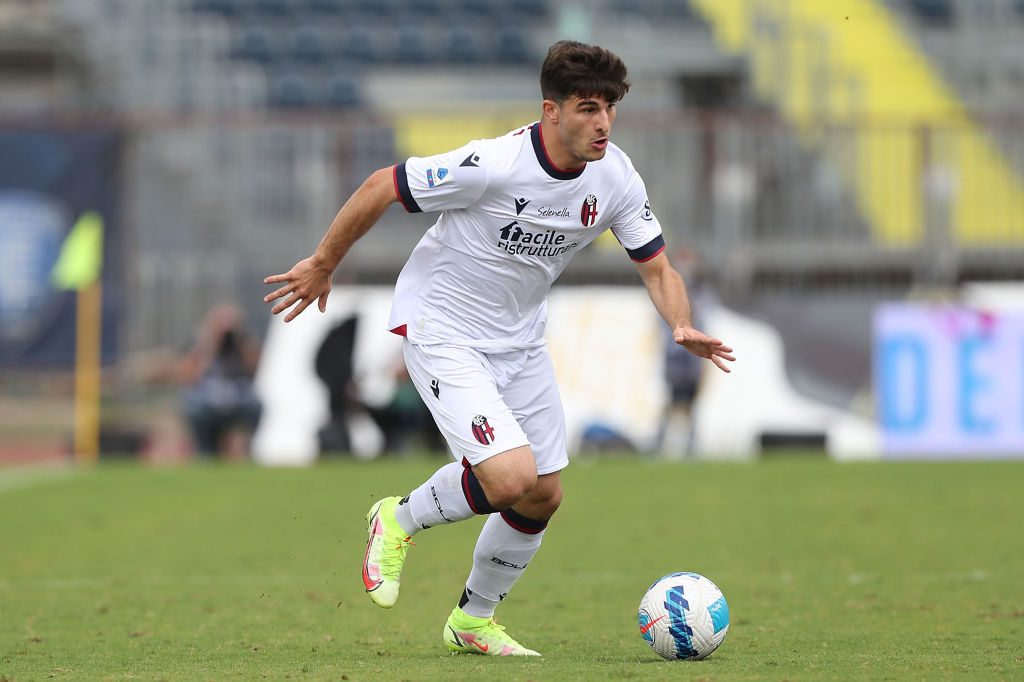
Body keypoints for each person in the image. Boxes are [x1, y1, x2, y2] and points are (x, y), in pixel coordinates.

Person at [263, 40, 734, 657]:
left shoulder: (616, 176)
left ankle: (472, 621)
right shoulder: (492, 164)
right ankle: (397, 519)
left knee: (543, 493)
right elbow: (384, 184)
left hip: (520, 340)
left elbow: (657, 268)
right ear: (551, 111)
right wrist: (324, 263)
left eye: (610, 108)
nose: (602, 123)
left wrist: (679, 323)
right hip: (443, 328)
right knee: (511, 476)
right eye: (588, 108)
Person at [180, 303, 262, 458]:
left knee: (256, 406)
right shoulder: (202, 345)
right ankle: (205, 454)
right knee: (194, 410)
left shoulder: (243, 345)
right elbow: (188, 377)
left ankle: (250, 451)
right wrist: (210, 346)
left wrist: (241, 341)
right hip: (208, 402)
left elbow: (258, 373)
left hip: (238, 400)